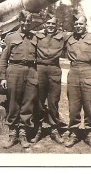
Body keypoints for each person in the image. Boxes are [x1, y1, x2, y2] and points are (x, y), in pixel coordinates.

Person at [64, 14, 91, 149]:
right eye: (75, 24)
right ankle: (74, 133)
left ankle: (89, 133)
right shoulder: (69, 37)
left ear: (85, 24)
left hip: (89, 71)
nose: (78, 26)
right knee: (73, 105)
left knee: (89, 104)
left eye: (80, 24)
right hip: (74, 71)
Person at [0, 10, 38, 149]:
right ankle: (12, 134)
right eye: (24, 21)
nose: (26, 23)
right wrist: (2, 76)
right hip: (14, 70)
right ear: (19, 21)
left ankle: (23, 134)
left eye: (28, 21)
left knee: (28, 103)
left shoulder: (35, 38)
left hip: (31, 72)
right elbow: (3, 58)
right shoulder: (11, 37)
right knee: (13, 103)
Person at [31, 15, 65, 144]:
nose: (50, 26)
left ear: (56, 25)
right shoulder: (36, 36)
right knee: (39, 101)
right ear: (45, 24)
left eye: (53, 24)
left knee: (54, 101)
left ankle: (54, 130)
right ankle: (38, 129)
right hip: (40, 69)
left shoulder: (63, 36)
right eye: (48, 23)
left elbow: (76, 36)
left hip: (54, 69)